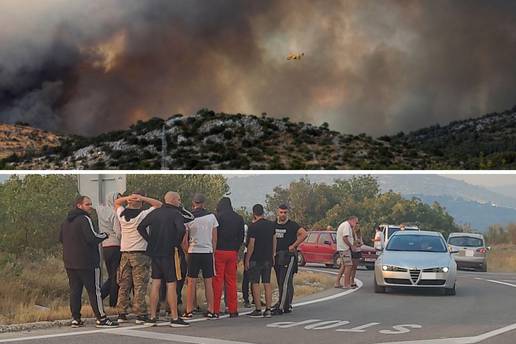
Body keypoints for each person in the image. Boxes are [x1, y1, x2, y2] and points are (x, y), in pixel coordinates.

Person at [59, 196, 118, 328]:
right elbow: (92, 237)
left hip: (70, 262)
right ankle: (101, 318)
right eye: (87, 204)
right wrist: (105, 235)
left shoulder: (66, 221)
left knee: (75, 290)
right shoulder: (85, 219)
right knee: (94, 291)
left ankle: (75, 318)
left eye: (90, 204)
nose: (90, 207)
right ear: (79, 205)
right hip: (87, 262)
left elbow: (61, 238)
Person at [136, 191, 193, 327]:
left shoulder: (155, 213)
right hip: (169, 252)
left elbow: (140, 227)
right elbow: (181, 230)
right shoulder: (176, 214)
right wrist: (175, 242)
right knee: (171, 284)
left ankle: (152, 316)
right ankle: (174, 317)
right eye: (178, 199)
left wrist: (150, 240)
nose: (180, 202)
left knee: (155, 283)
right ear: (173, 200)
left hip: (155, 252)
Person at [115, 191, 162, 324]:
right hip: (140, 253)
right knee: (140, 285)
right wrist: (142, 198)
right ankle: (140, 313)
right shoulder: (143, 215)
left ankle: (121, 312)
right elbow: (159, 205)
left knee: (124, 284)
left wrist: (127, 198)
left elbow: (117, 203)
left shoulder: (122, 215)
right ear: (140, 203)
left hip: (125, 253)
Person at [182, 193, 218, 319]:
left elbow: (184, 240)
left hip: (193, 251)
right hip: (207, 252)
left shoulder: (188, 218)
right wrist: (212, 251)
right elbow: (214, 238)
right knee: (208, 281)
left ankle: (189, 310)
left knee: (191, 281)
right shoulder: (211, 217)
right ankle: (211, 310)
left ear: (193, 203)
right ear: (204, 203)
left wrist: (187, 251)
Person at [272, 204, 307, 315]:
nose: (283, 214)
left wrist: (294, 245)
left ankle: (282, 307)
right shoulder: (273, 225)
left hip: (288, 256)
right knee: (280, 281)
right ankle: (284, 303)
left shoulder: (292, 225)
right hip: (277, 256)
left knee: (285, 281)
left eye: (285, 212)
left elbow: (304, 234)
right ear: (277, 212)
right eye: (281, 212)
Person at [213, 197, 245, 317]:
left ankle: (215, 309)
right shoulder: (238, 218)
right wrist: (236, 249)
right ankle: (233, 309)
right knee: (231, 281)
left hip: (219, 251)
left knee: (217, 281)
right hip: (232, 252)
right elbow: (241, 237)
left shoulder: (217, 217)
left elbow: (214, 235)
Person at [245, 204, 276, 318]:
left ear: (254, 213)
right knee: (267, 283)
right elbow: (274, 240)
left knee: (255, 283)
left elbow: (251, 244)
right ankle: (268, 309)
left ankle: (258, 309)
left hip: (255, 258)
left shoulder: (253, 227)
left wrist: (247, 259)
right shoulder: (271, 225)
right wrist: (273, 254)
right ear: (263, 212)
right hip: (267, 258)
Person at [97, 192, 122, 308]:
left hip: (105, 246)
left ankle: (100, 296)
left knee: (111, 275)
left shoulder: (101, 211)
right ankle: (112, 302)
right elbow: (118, 232)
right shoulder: (115, 213)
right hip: (115, 245)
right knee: (115, 276)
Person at [334, 216, 359, 289]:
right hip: (344, 249)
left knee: (344, 266)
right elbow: (344, 237)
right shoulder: (346, 226)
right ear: (352, 220)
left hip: (343, 248)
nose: (356, 224)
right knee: (349, 265)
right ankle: (346, 284)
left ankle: (337, 282)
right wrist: (351, 246)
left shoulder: (346, 226)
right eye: (356, 222)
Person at [350, 224, 363, 288]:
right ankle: (350, 280)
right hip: (353, 251)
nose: (357, 228)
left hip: (358, 251)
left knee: (355, 267)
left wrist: (359, 243)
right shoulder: (352, 233)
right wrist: (357, 243)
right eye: (356, 226)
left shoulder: (359, 234)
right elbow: (353, 243)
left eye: (358, 226)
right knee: (351, 267)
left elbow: (361, 242)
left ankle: (352, 280)